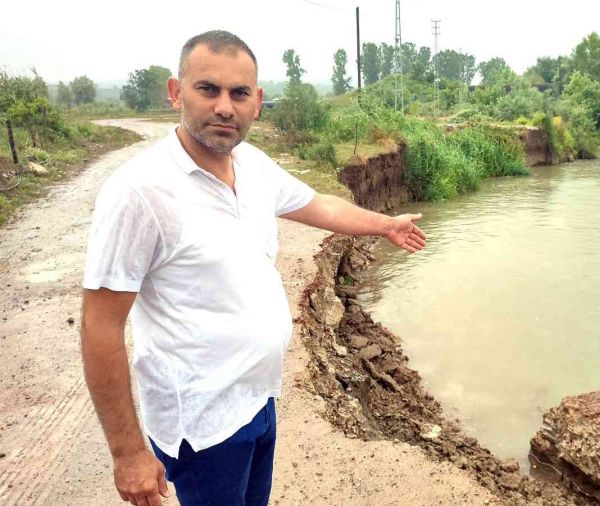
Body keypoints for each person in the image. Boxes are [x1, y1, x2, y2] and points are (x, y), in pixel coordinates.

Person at [80, 30, 426, 506]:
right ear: (176, 92)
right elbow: (101, 324)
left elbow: (320, 205)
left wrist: (384, 223)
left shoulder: (253, 165)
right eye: (209, 89)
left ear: (257, 101)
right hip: (203, 429)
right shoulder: (139, 192)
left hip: (258, 401)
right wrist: (128, 454)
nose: (225, 107)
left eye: (239, 93)